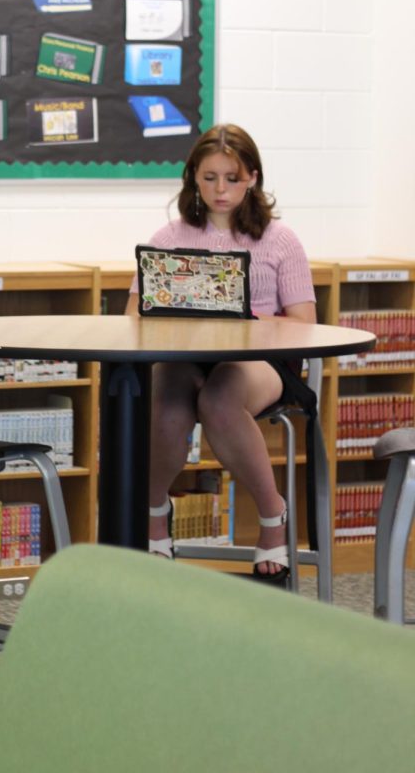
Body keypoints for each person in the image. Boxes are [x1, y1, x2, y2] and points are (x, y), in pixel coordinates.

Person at [126, 123, 316, 582]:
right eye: (209, 178)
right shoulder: (169, 237)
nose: (221, 190)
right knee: (168, 402)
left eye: (232, 178)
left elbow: (305, 322)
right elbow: (134, 315)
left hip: (261, 362)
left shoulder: (279, 240)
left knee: (219, 397)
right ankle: (155, 509)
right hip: (186, 357)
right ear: (193, 177)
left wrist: (248, 320)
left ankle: (272, 514)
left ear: (252, 177)